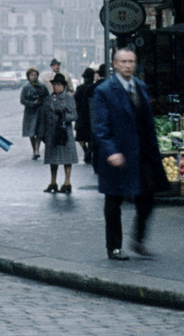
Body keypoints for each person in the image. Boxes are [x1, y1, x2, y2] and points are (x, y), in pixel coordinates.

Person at [92, 48, 169, 260]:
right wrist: (111, 151)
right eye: (124, 62)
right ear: (115, 65)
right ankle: (114, 247)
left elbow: (146, 122)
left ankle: (139, 239)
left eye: (131, 61)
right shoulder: (105, 90)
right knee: (114, 201)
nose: (128, 65)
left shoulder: (140, 86)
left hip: (142, 154)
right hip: (116, 155)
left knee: (148, 196)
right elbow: (100, 126)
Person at [38, 73, 78, 194]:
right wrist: (41, 133)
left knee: (67, 158)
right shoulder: (48, 99)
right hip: (51, 133)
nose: (57, 87)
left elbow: (75, 115)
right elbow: (43, 117)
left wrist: (64, 116)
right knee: (53, 159)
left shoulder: (68, 98)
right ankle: (53, 182)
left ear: (64, 86)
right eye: (55, 85)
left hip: (64, 132)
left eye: (59, 85)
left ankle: (67, 182)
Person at [19, 67, 48, 160]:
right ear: (28, 76)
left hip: (40, 112)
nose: (34, 77)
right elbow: (22, 100)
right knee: (31, 133)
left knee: (39, 132)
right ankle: (34, 149)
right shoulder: (26, 87)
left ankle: (37, 150)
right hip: (30, 113)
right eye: (32, 75)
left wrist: (42, 104)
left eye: (35, 75)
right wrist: (32, 103)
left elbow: (47, 98)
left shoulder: (42, 86)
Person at [74, 66, 96, 165]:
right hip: (91, 115)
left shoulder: (80, 88)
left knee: (81, 137)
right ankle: (88, 151)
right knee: (91, 136)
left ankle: (85, 150)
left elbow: (75, 101)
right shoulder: (95, 88)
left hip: (82, 115)